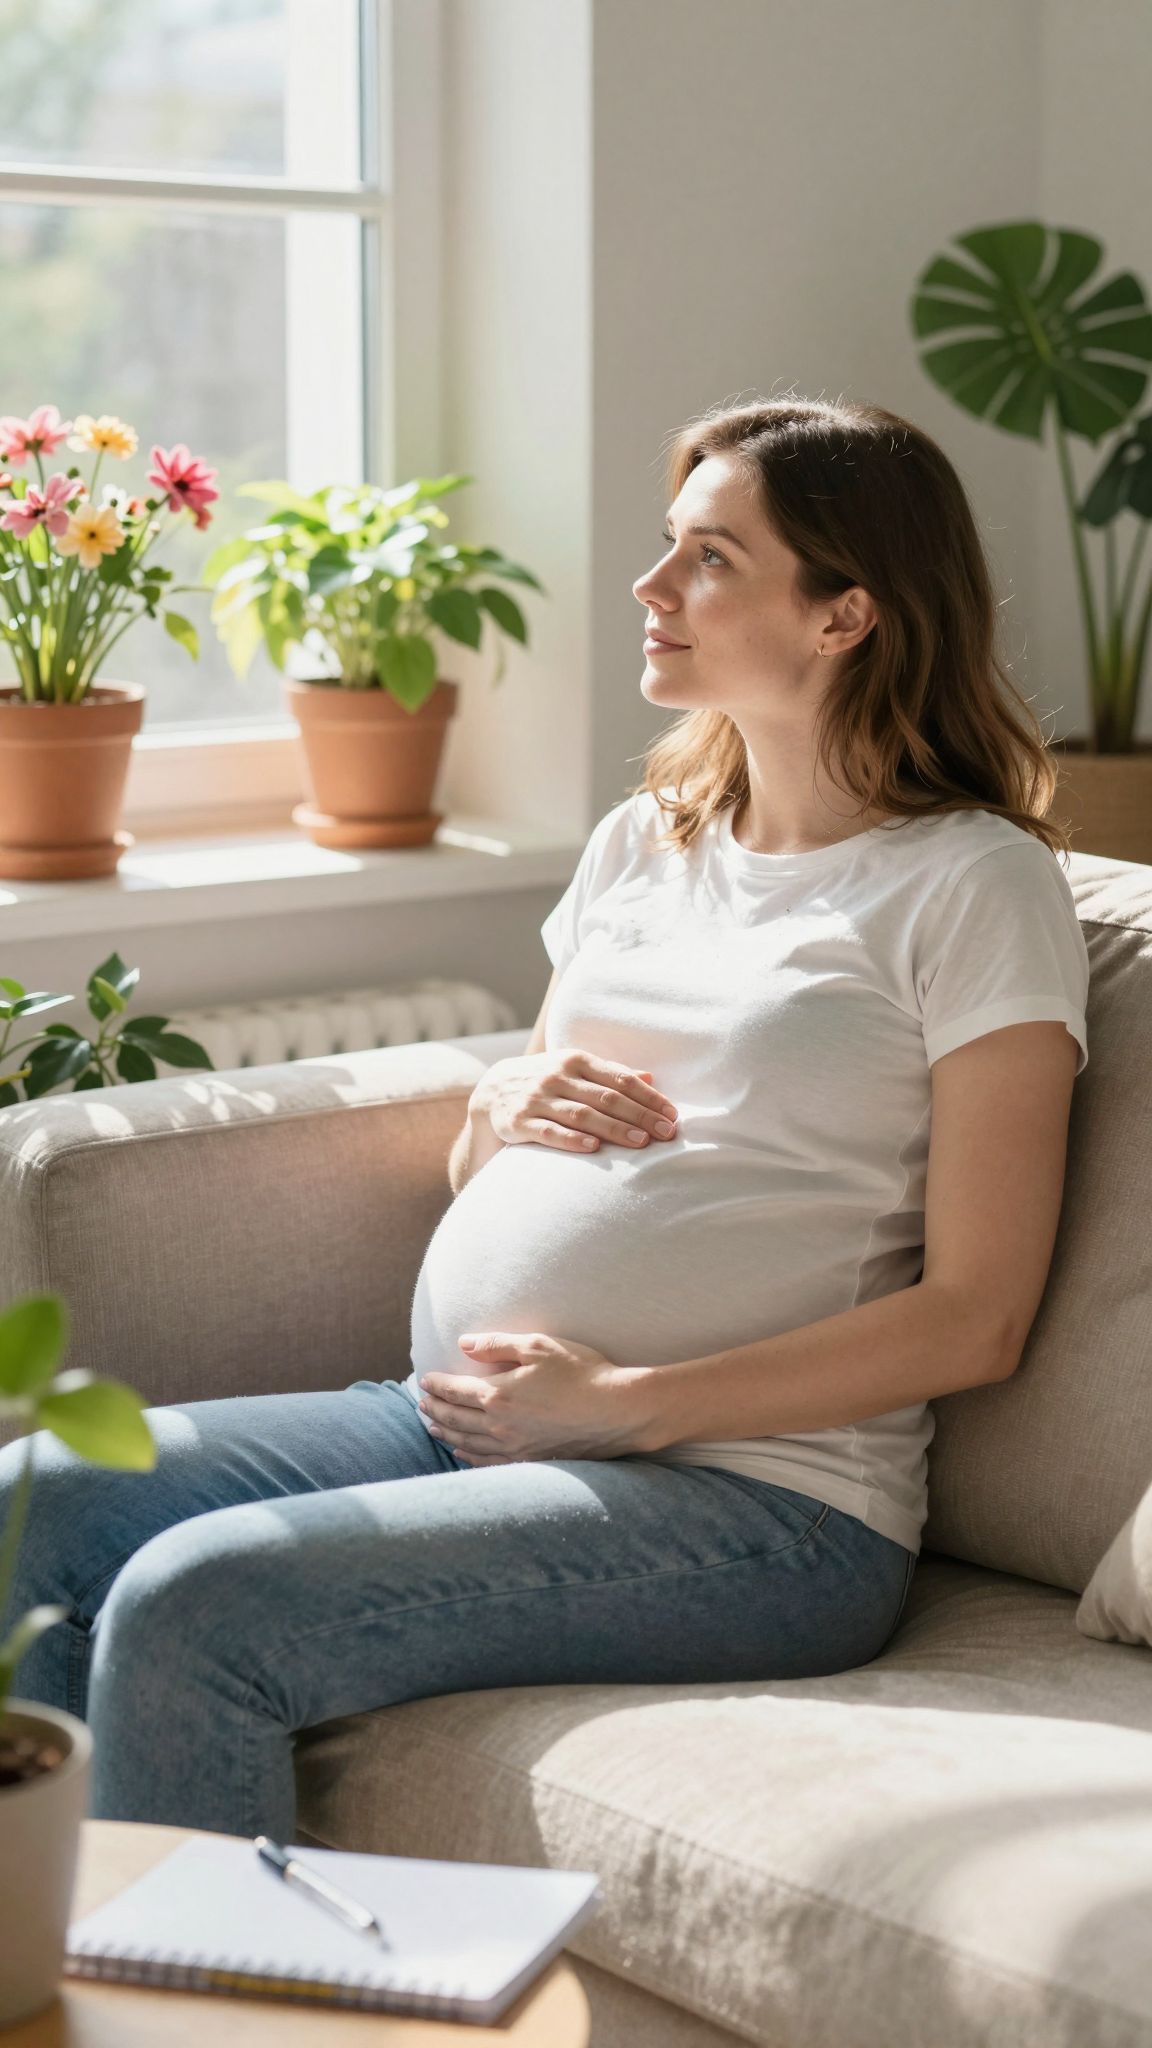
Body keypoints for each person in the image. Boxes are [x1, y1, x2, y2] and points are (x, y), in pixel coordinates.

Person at [0, 394, 1090, 1843]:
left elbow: (978, 1317)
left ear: (845, 615)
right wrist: (500, 1100)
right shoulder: (646, 842)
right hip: (464, 1428)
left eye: (711, 558)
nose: (651, 587)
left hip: (762, 1508)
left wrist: (628, 1406)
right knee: (39, 1496)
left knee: (206, 1602)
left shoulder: (972, 885)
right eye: (668, 544)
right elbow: (480, 1163)